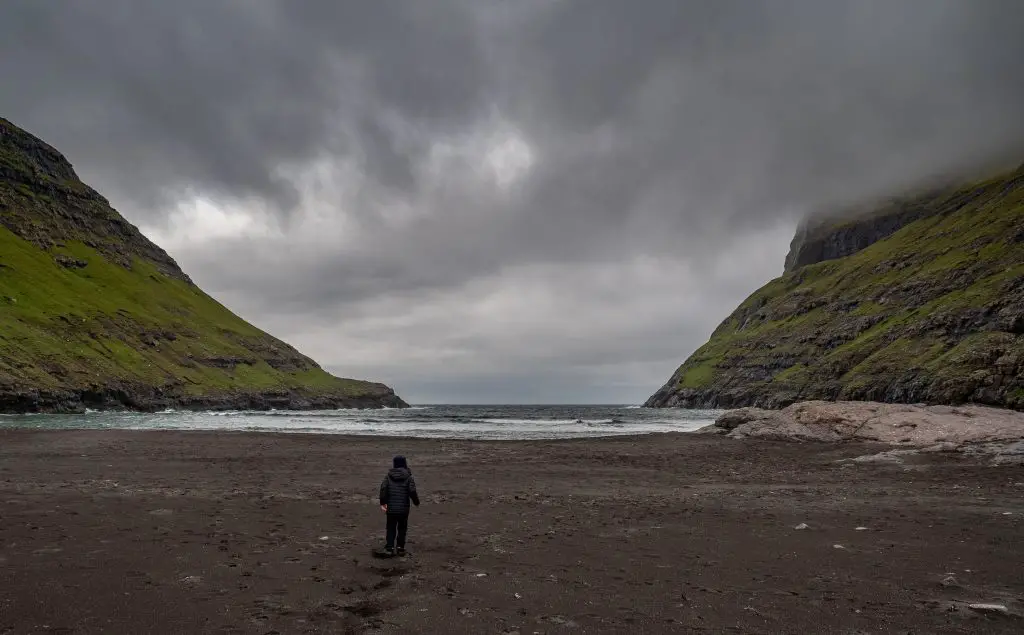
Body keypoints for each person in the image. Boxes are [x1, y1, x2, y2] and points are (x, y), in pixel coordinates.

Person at [378, 455, 420, 556]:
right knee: (402, 528)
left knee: (391, 527)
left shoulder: (388, 476)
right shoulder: (409, 477)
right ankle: (400, 548)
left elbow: (383, 491)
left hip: (391, 508)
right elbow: (412, 491)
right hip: (403, 508)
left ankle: (389, 548)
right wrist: (416, 502)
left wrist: (383, 504)